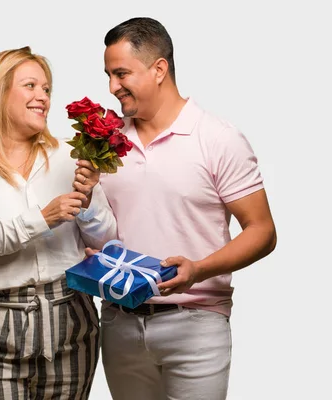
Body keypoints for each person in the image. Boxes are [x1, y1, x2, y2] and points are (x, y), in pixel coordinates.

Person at [95, 17, 277, 399]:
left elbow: (262, 231)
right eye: (109, 75)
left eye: (121, 73)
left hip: (196, 325)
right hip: (118, 324)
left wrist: (199, 269)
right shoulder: (106, 145)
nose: (112, 87)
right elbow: (102, 227)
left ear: (159, 69)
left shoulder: (218, 138)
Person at [0, 46, 116, 400]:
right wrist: (41, 219)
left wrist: (89, 202)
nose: (42, 97)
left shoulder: (69, 155)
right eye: (30, 86)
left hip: (70, 318)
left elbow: (107, 239)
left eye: (46, 89)